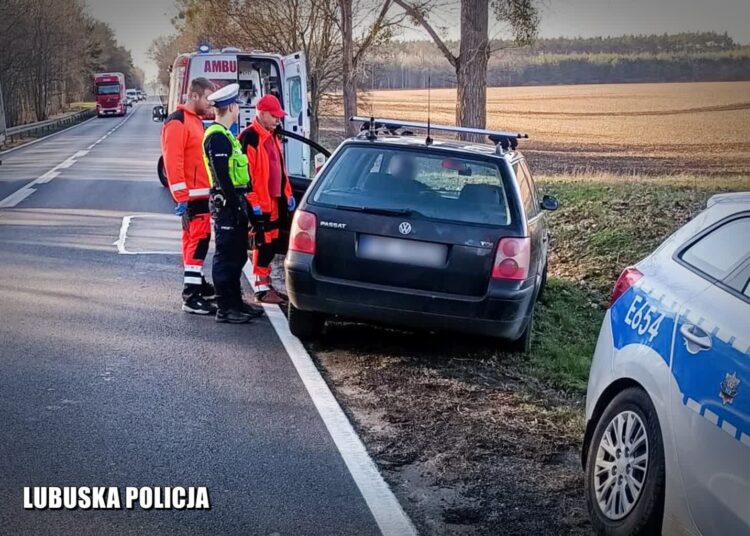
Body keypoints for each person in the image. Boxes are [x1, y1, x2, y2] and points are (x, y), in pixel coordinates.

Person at [202, 83, 264, 323]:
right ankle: (225, 308)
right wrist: (235, 205)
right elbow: (221, 176)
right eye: (236, 104)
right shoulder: (217, 137)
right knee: (226, 257)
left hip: (235, 200)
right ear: (230, 107)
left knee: (237, 256)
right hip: (226, 204)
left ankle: (236, 303)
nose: (239, 107)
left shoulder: (227, 135)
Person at [161, 77, 217, 315]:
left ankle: (197, 283)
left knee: (194, 241)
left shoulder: (195, 120)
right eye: (207, 98)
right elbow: (173, 161)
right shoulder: (178, 121)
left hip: (200, 193)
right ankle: (191, 296)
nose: (210, 104)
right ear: (194, 96)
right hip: (192, 195)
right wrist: (181, 196)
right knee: (198, 242)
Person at [238, 94, 295, 304]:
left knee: (271, 243)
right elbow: (246, 178)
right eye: (274, 116)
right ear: (261, 113)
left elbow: (280, 171)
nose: (277, 120)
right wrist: (253, 203)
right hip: (260, 202)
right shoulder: (249, 138)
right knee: (262, 242)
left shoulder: (272, 137)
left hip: (274, 201)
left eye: (279, 117)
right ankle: (261, 288)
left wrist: (287, 194)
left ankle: (265, 282)